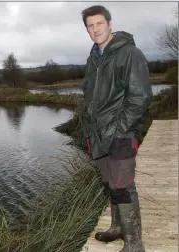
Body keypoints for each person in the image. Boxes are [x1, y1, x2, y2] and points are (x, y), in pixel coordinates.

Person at [80, 5, 153, 252]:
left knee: (122, 187)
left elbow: (140, 97)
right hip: (97, 136)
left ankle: (134, 244)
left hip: (120, 135)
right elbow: (91, 99)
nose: (95, 29)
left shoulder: (130, 54)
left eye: (99, 23)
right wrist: (88, 131)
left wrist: (119, 129)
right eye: (90, 26)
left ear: (109, 24)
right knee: (111, 184)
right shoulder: (93, 59)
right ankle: (117, 227)